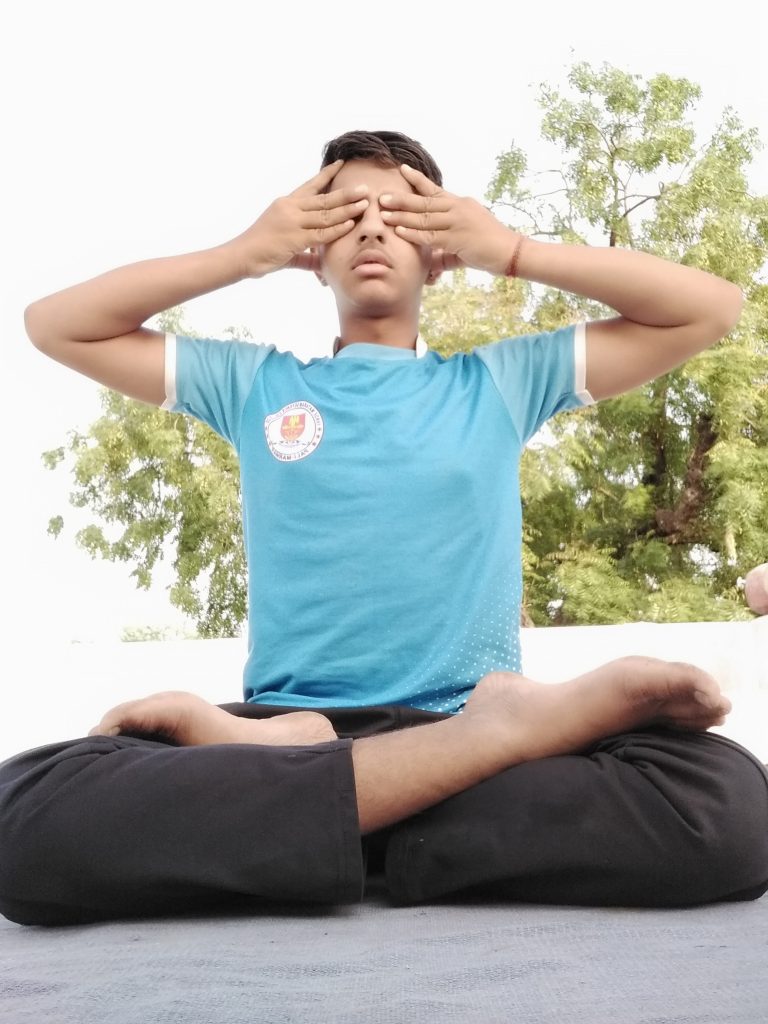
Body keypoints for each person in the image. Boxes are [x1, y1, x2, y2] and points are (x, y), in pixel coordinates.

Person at [3, 130, 766, 926]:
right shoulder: (254, 385)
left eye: (401, 215)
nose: (371, 229)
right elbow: (56, 324)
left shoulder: (497, 383)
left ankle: (332, 829)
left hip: (450, 723)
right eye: (344, 215)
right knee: (27, 816)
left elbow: (710, 308)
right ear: (312, 254)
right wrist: (243, 254)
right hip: (286, 735)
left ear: (438, 254)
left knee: (728, 805)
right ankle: (421, 808)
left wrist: (508, 251)